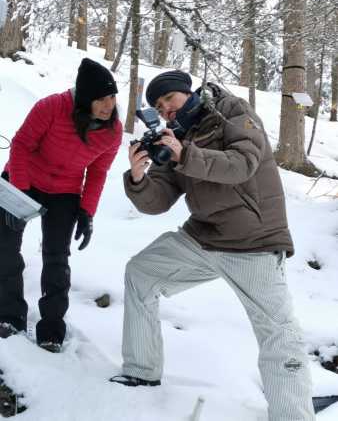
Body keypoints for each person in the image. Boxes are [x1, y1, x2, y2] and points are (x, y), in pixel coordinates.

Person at [110, 70, 316, 420]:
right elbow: (158, 202)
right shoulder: (175, 136)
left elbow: (243, 164)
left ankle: (292, 414)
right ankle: (141, 371)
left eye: (169, 101)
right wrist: (137, 178)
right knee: (142, 273)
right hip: (203, 237)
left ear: (186, 93)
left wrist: (184, 153)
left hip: (255, 242)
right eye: (159, 108)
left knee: (279, 334)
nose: (165, 111)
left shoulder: (232, 112)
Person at [0, 58, 122, 353]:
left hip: (64, 191)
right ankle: (9, 315)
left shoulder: (113, 131)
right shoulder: (51, 107)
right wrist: (20, 195)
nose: (108, 105)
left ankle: (52, 329)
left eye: (111, 97)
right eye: (100, 99)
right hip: (23, 177)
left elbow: (97, 172)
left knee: (56, 257)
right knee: (4, 247)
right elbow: (21, 145)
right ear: (84, 99)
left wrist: (87, 211)